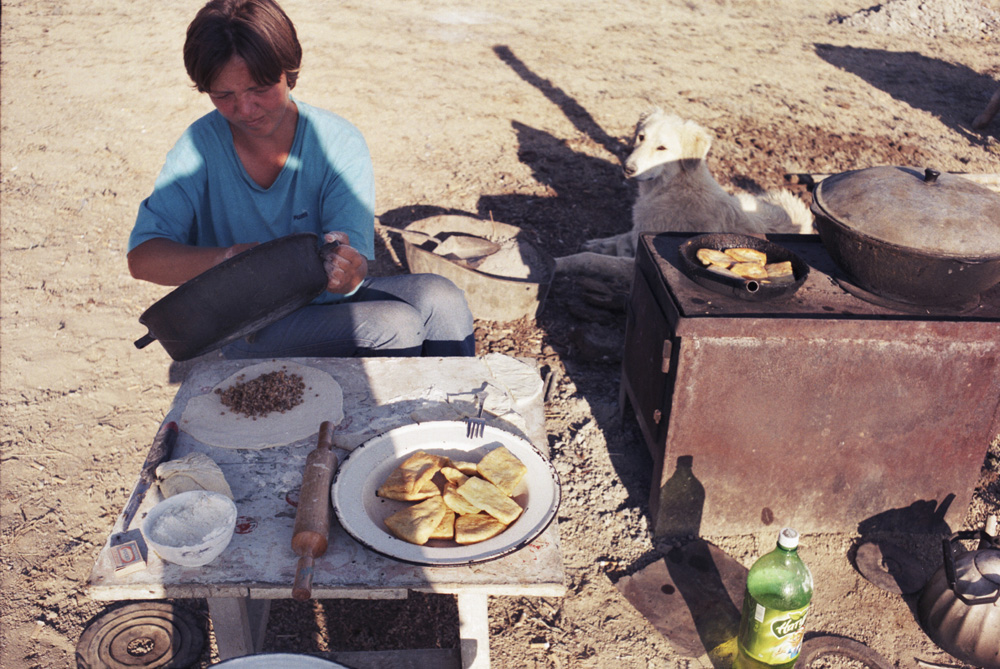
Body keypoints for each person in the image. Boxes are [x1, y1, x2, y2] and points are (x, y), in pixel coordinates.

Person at [127, 0, 475, 358]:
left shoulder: (337, 141)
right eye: (224, 95)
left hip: (325, 304)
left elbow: (350, 267)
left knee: (441, 300)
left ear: (288, 71)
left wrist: (348, 272)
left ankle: (461, 411)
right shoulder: (198, 149)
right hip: (246, 326)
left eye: (260, 88)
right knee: (394, 325)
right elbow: (142, 258)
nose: (245, 109)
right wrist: (227, 259)